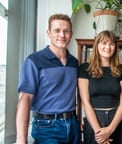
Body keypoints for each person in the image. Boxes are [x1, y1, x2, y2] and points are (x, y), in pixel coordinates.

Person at [16, 14, 81, 144]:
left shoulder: (74, 62)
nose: (62, 35)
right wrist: (21, 139)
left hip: (73, 124)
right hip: (47, 127)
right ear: (48, 33)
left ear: (71, 34)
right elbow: (25, 98)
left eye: (66, 31)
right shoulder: (34, 60)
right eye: (57, 30)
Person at [78, 30, 122, 144]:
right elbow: (85, 102)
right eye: (104, 43)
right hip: (94, 122)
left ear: (115, 47)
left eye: (111, 44)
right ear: (97, 45)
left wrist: (110, 129)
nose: (108, 47)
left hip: (117, 122)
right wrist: (99, 133)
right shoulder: (84, 69)